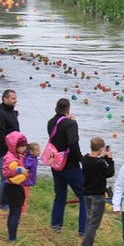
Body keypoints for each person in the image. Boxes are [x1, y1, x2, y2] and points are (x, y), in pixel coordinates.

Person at [47, 98, 86, 235]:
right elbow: (73, 142)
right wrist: (81, 159)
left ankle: (55, 225)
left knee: (60, 194)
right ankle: (83, 230)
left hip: (55, 164)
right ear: (68, 109)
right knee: (84, 195)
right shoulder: (70, 124)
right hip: (70, 165)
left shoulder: (51, 122)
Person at [81, 137, 115, 246]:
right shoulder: (100, 163)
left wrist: (103, 157)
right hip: (98, 195)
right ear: (101, 148)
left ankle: (88, 243)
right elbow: (110, 173)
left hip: (87, 193)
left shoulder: (85, 160)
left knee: (89, 219)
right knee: (94, 223)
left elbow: (94, 161)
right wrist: (109, 159)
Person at [1, 131, 30, 242]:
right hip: (12, 188)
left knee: (13, 212)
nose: (24, 148)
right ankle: (12, 237)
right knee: (15, 213)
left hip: (16, 187)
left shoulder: (17, 155)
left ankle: (11, 235)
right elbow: (6, 172)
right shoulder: (10, 158)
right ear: (15, 146)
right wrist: (18, 170)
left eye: (25, 146)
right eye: (22, 146)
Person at [0, 89, 19, 209]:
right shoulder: (0, 114)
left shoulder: (12, 113)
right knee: (5, 178)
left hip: (13, 151)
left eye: (15, 98)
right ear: (5, 99)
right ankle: (3, 204)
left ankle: (9, 201)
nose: (15, 101)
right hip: (4, 151)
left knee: (12, 177)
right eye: (13, 98)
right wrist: (7, 149)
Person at [22, 142, 40, 215]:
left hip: (28, 180)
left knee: (25, 195)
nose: (39, 152)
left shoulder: (34, 158)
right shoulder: (30, 159)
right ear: (32, 151)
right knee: (24, 196)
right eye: (38, 150)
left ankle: (22, 210)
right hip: (26, 180)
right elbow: (25, 166)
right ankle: (23, 211)